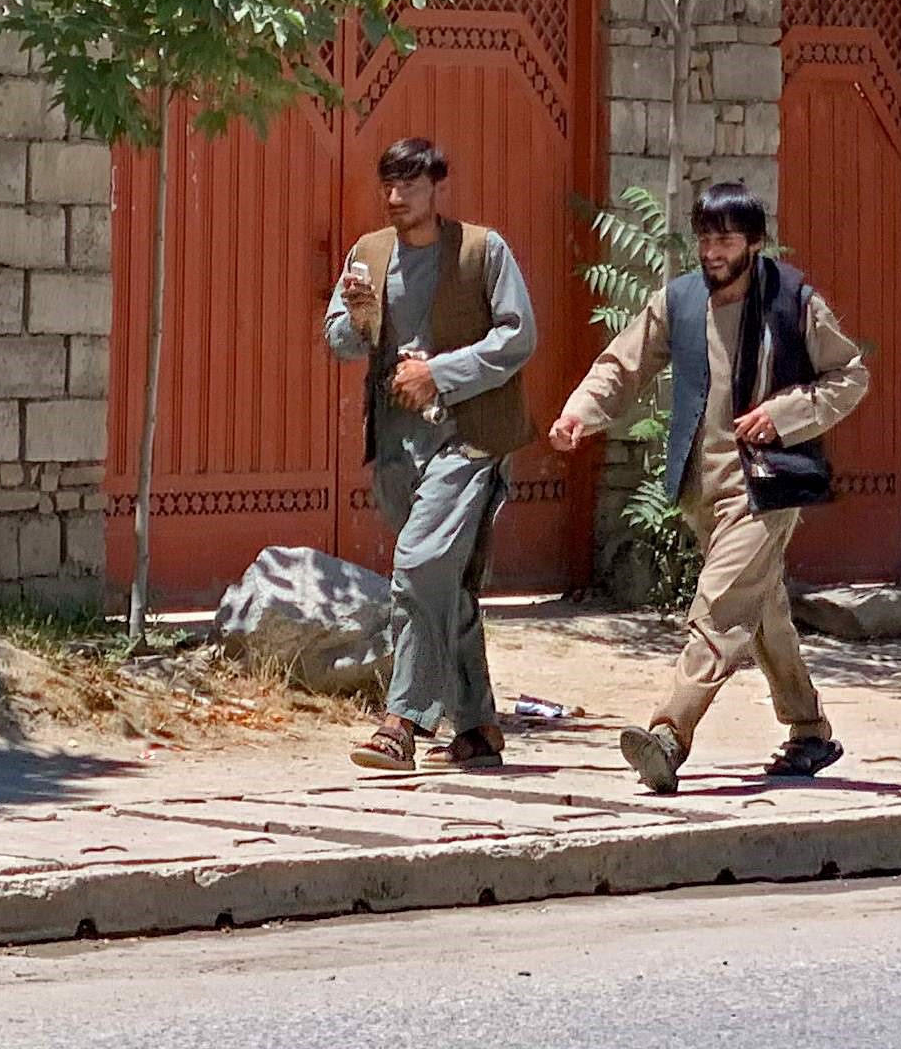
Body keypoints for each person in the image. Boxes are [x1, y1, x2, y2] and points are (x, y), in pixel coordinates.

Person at [549, 180, 866, 794]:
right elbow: (624, 363)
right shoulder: (681, 301)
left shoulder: (793, 300)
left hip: (767, 483)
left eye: (725, 239)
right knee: (763, 607)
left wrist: (786, 414)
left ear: (754, 242)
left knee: (719, 606)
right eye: (704, 238)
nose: (712, 251)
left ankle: (669, 733)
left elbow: (849, 375)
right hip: (703, 485)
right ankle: (810, 731)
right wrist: (580, 412)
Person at [324, 136, 539, 773]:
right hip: (396, 444)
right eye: (388, 186)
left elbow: (518, 335)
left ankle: (402, 722)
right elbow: (338, 339)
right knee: (445, 586)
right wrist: (360, 318)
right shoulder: (368, 253)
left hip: (467, 438)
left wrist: (440, 373)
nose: (395, 198)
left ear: (435, 187)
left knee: (417, 568)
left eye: (408, 186)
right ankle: (475, 728)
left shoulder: (481, 249)